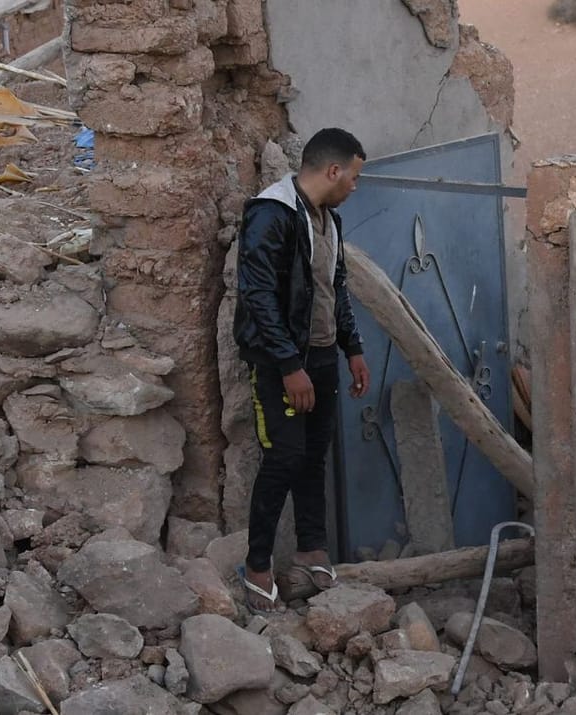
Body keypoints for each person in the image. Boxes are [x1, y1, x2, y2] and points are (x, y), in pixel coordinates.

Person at [232, 128, 372, 613]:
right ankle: (257, 564)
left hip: (322, 356)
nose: (355, 186)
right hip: (280, 365)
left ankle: (313, 548)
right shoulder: (271, 214)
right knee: (284, 458)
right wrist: (289, 366)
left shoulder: (328, 220)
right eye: (353, 177)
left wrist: (351, 348)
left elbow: (336, 288)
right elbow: (258, 295)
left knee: (315, 455)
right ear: (333, 171)